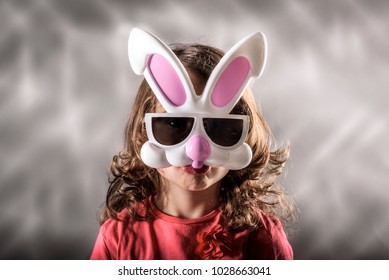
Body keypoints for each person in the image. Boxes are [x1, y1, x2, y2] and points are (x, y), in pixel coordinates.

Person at [90, 28, 295, 260]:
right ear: (142, 133)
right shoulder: (118, 237)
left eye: (218, 127)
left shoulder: (261, 237)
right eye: (175, 124)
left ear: (243, 135)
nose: (197, 149)